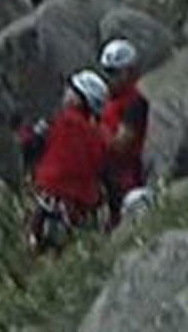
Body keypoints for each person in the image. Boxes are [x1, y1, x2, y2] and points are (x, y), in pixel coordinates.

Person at [17, 69, 110, 253]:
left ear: (79, 99)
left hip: (47, 200)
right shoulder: (99, 137)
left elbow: (29, 144)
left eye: (71, 89)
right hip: (78, 212)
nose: (66, 92)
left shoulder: (64, 121)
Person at [97, 39, 150, 231]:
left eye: (114, 72)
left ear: (129, 72)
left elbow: (122, 144)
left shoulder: (135, 103)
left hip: (125, 178)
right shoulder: (105, 100)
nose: (108, 78)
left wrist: (92, 134)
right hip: (102, 175)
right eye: (106, 71)